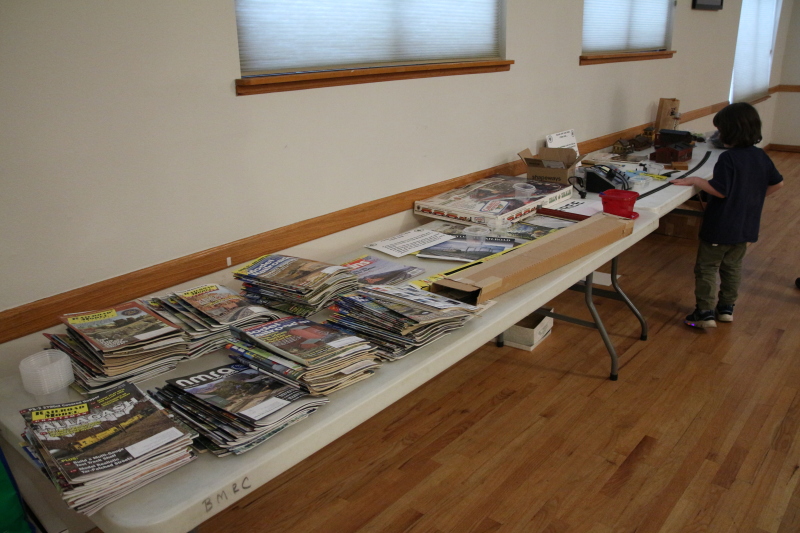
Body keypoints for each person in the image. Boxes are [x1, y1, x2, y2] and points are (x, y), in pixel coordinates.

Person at [671, 102, 784, 328]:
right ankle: (726, 309)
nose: (719, 135)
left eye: (721, 130)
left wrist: (697, 180)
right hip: (746, 226)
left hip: (721, 225)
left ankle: (704, 312)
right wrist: (751, 199)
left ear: (731, 131)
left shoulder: (728, 158)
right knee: (732, 267)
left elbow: (720, 191)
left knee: (707, 267)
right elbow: (778, 183)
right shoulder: (760, 156)